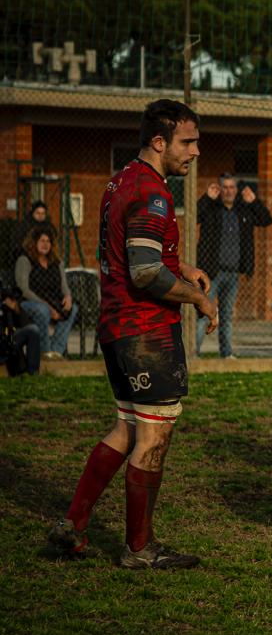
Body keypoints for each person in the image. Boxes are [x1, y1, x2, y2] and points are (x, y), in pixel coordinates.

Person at [46, 99, 217, 568]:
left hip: (117, 326)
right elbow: (144, 273)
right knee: (154, 437)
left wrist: (181, 265)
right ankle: (140, 548)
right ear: (159, 142)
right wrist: (198, 298)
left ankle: (73, 522)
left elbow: (134, 252)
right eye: (188, 142)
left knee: (127, 428)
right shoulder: (152, 193)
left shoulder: (122, 180)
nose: (196, 151)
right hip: (145, 331)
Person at [195, 174, 272, 358]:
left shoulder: (243, 210)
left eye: (232, 187)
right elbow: (193, 216)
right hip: (211, 273)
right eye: (225, 187)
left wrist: (254, 201)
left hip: (232, 273)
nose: (229, 191)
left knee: (227, 316)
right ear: (220, 189)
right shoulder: (212, 209)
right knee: (203, 314)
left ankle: (226, 354)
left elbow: (266, 220)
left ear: (237, 190)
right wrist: (207, 198)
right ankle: (192, 354)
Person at [15, 226, 76, 358]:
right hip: (28, 302)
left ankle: (56, 351)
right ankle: (44, 351)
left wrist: (68, 297)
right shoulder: (25, 260)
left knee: (73, 308)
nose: (45, 244)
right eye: (42, 241)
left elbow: (64, 286)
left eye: (48, 241)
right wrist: (48, 307)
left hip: (52, 301)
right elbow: (24, 290)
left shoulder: (57, 262)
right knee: (42, 310)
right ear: (34, 242)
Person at [2, 283, 43, 375]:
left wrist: (15, 308)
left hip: (9, 339)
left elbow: (26, 324)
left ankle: (33, 373)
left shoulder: (7, 308)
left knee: (33, 330)